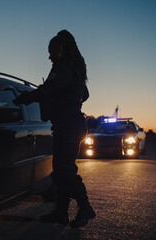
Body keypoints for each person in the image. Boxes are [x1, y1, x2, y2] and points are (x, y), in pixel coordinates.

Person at [13, 30, 95, 227]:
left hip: (68, 126)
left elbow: (47, 89)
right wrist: (72, 100)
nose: (49, 56)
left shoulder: (63, 69)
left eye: (52, 52)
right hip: (71, 124)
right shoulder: (74, 70)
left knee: (64, 171)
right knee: (60, 171)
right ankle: (61, 213)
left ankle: (85, 208)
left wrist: (25, 98)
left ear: (62, 51)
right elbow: (86, 93)